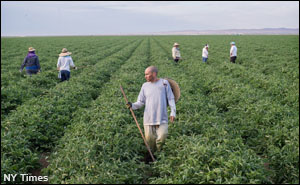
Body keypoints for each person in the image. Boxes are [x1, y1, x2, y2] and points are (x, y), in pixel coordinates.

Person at [126, 66, 176, 152]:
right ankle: (152, 158)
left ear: (154, 74)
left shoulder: (164, 83)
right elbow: (141, 102)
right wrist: (132, 105)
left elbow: (171, 98)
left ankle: (160, 156)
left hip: (162, 118)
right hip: (149, 118)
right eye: (145, 74)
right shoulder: (144, 86)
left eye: (147, 74)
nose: (145, 76)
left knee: (162, 137)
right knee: (150, 141)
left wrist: (173, 112)